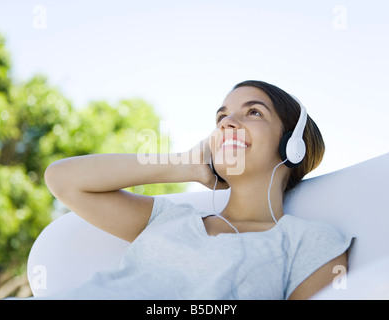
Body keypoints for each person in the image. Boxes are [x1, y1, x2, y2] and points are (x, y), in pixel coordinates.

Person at [44, 80, 352, 300]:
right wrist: (186, 164)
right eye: (221, 117)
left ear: (292, 146)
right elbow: (61, 178)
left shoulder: (308, 242)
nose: (228, 122)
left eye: (254, 112)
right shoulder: (169, 218)